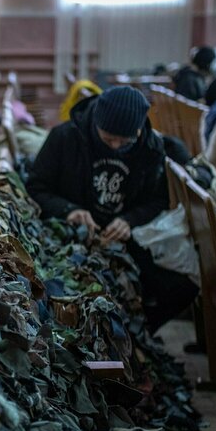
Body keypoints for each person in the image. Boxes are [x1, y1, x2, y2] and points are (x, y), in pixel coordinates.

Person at [27, 86, 196, 331]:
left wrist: (129, 220)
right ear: (96, 122)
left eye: (125, 141)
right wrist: (68, 210)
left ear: (138, 130)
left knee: (183, 286)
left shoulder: (150, 147)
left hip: (123, 237)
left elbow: (158, 200)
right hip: (68, 236)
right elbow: (35, 187)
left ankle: (136, 336)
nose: (116, 146)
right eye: (108, 139)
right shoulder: (65, 137)